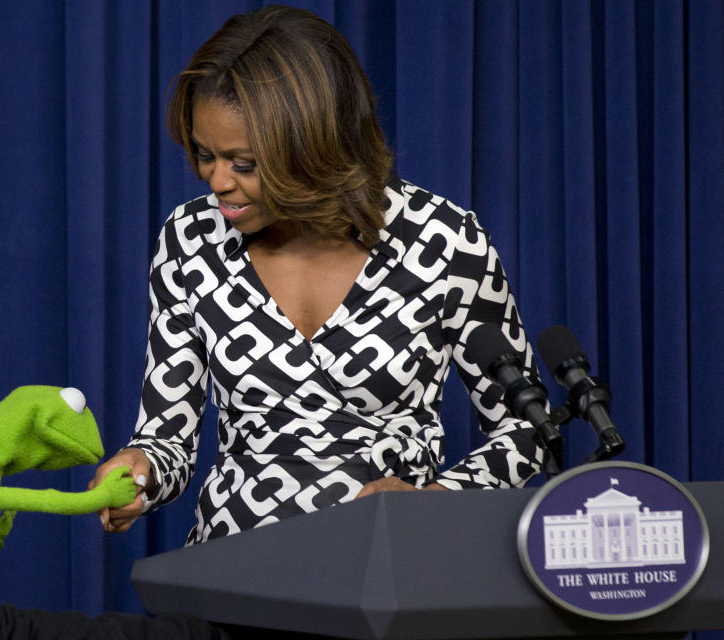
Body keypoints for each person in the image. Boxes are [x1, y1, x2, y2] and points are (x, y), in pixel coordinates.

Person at [89, 4, 543, 544]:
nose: (216, 182)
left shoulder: (445, 241)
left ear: (314, 144)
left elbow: (527, 431)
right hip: (232, 576)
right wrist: (139, 468)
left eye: (245, 163)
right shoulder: (190, 239)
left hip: (390, 574)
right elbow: (167, 437)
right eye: (204, 155)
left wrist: (435, 501)